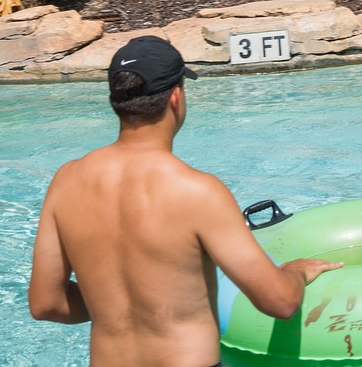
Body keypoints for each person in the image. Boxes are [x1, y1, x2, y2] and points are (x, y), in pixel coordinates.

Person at [28, 35, 341, 366]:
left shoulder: (67, 181)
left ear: (116, 101)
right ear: (176, 98)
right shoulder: (197, 191)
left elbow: (46, 303)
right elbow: (279, 302)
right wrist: (295, 273)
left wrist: (116, 306)